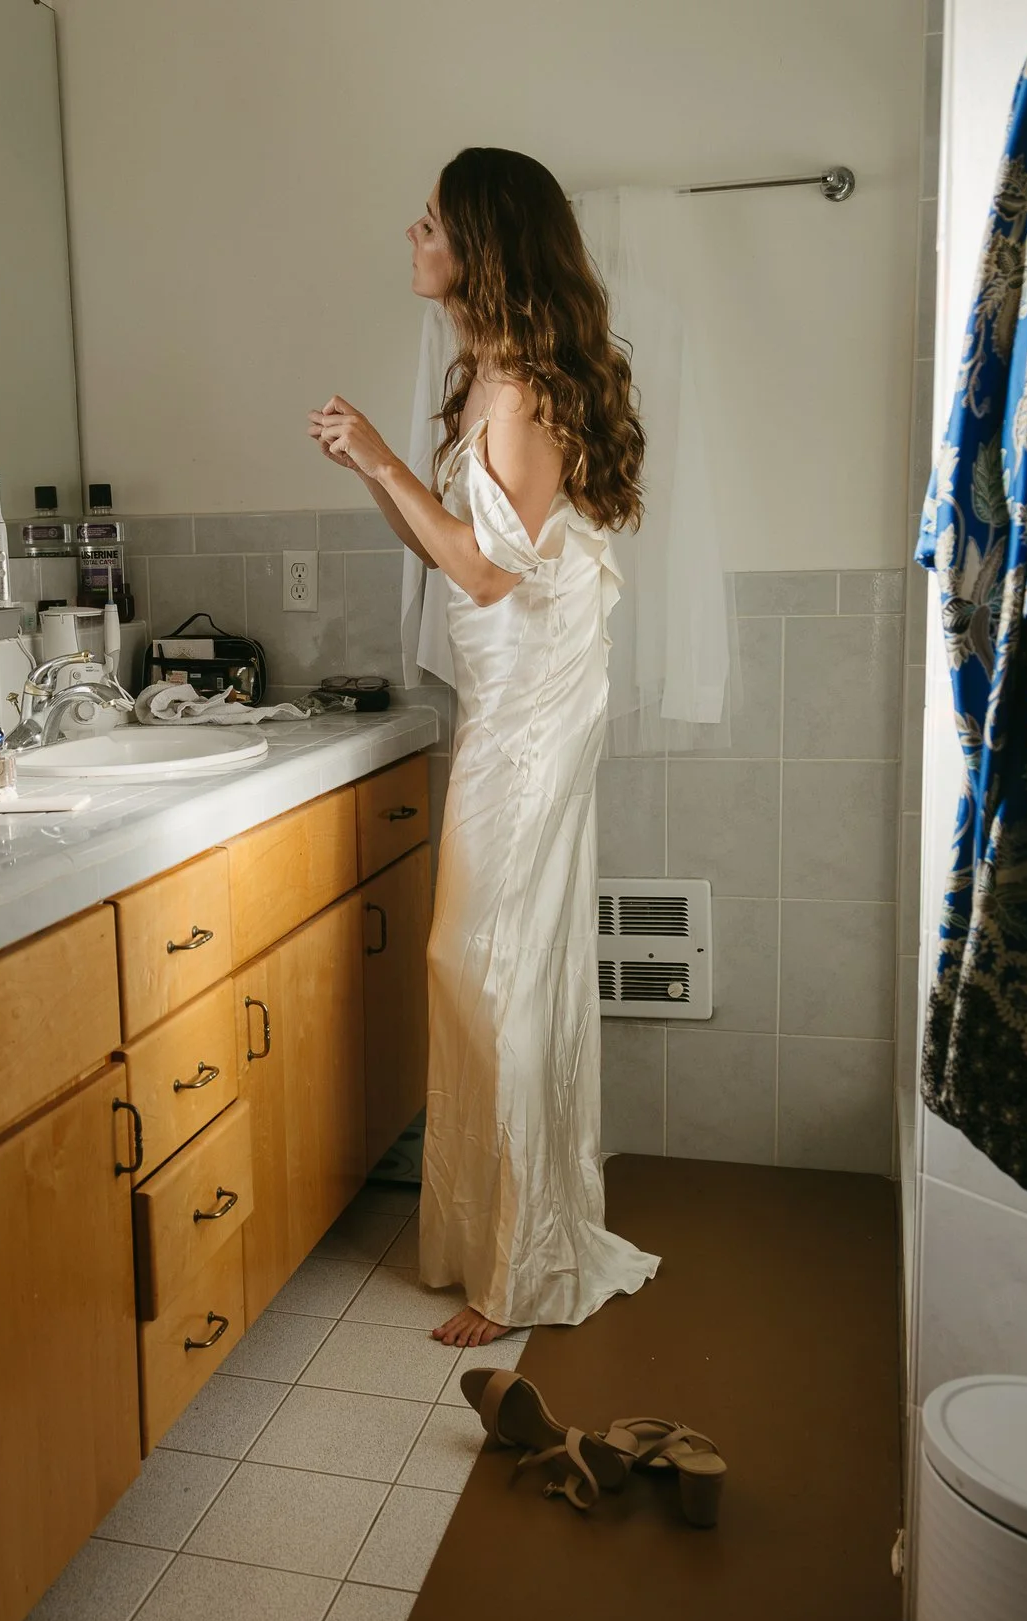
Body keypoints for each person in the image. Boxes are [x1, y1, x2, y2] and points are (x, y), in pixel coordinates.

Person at [308, 146, 659, 1348]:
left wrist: (383, 459)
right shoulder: (493, 376)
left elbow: (487, 571)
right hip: (511, 712)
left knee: (488, 966)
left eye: (433, 224)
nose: (414, 234)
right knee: (483, 964)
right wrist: (374, 470)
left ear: (480, 246)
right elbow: (449, 543)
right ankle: (494, 1237)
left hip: (531, 718)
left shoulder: (518, 393)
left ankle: (518, 1267)